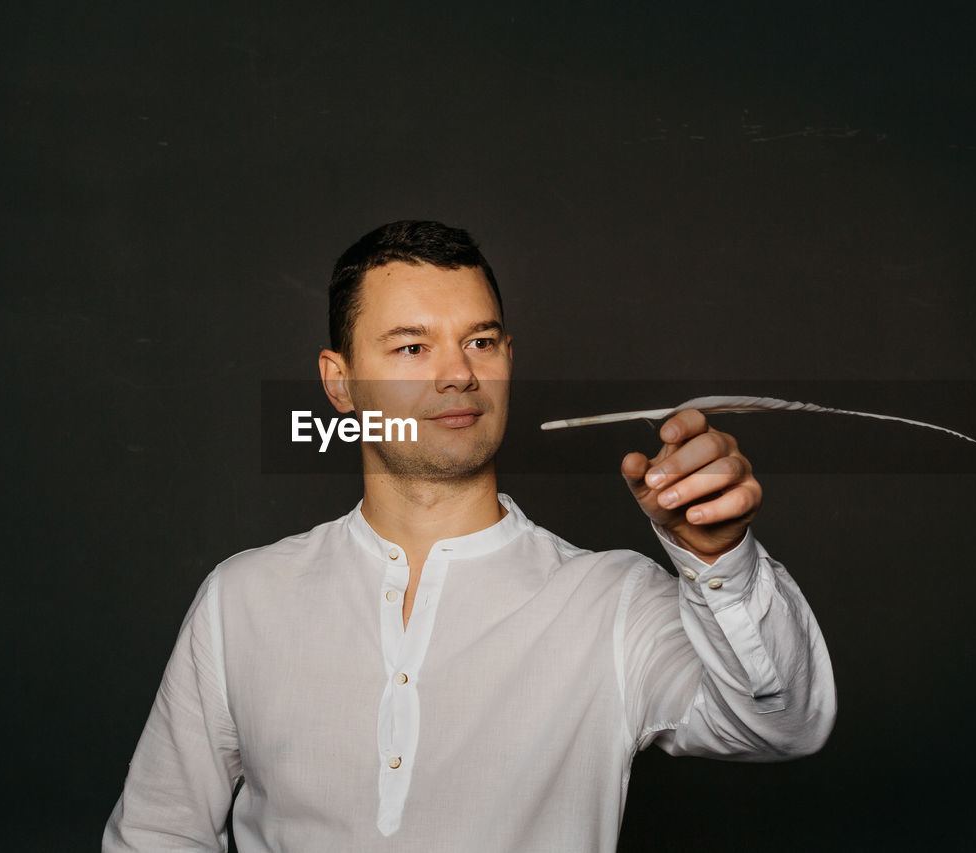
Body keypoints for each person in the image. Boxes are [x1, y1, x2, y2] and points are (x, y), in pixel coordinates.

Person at [103, 220, 836, 852]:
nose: (458, 375)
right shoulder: (243, 600)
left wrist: (717, 559)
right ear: (340, 382)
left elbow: (785, 723)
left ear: (508, 356)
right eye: (412, 348)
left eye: (480, 341)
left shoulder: (611, 601)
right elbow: (157, 832)